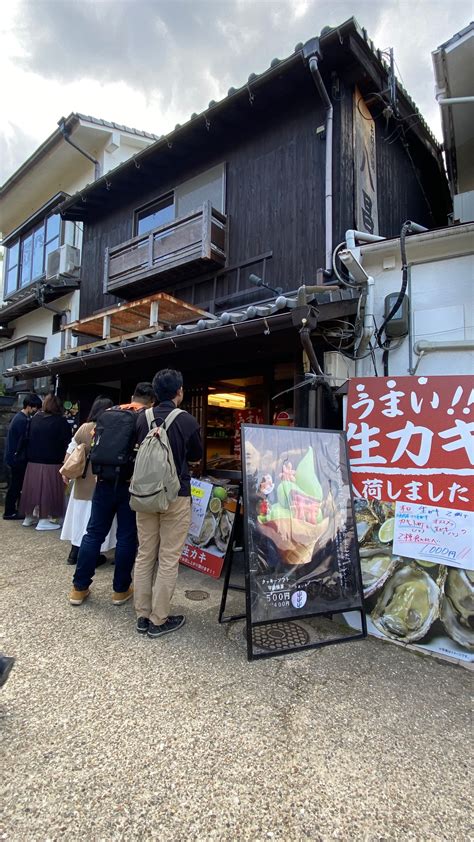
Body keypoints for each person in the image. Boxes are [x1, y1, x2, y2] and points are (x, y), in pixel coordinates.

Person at [69, 382, 154, 607]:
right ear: (152, 400)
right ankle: (120, 590)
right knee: (127, 536)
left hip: (103, 481)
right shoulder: (146, 417)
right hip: (130, 484)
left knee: (93, 533)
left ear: (132, 395)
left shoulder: (110, 413)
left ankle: (79, 588)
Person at [133, 369, 202, 639]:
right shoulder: (186, 421)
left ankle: (142, 615)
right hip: (175, 495)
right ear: (180, 391)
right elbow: (196, 454)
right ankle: (158, 619)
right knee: (169, 558)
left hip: (145, 496)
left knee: (145, 554)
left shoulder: (142, 418)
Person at [60, 396, 115, 566]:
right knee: (95, 520)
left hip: (81, 479)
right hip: (101, 479)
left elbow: (70, 451)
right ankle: (92, 555)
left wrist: (66, 472)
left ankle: (74, 552)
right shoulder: (111, 429)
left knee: (78, 516)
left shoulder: (84, 427)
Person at [20, 393, 71, 531]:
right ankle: (43, 519)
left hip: (32, 462)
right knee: (47, 492)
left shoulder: (35, 419)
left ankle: (28, 517)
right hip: (51, 463)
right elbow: (67, 442)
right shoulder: (60, 422)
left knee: (32, 490)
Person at [3, 393, 42, 520]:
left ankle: (11, 510)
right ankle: (9, 511)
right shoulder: (23, 420)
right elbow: (25, 441)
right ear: (30, 406)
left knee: (15, 485)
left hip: (12, 457)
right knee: (16, 486)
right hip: (17, 459)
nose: (36, 410)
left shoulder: (18, 418)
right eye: (36, 407)